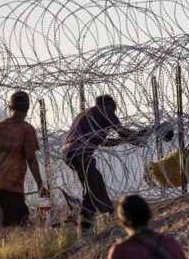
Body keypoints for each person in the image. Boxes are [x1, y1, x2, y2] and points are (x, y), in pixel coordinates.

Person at [61, 95, 146, 232]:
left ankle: (108, 214)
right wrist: (138, 136)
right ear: (111, 107)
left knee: (96, 181)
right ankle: (85, 226)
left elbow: (104, 142)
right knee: (91, 188)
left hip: (69, 152)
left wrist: (130, 139)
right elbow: (121, 131)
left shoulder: (87, 114)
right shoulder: (105, 110)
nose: (113, 115)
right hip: (80, 152)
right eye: (114, 111)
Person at [0, 91, 49, 227]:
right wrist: (40, 185)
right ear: (28, 109)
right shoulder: (27, 130)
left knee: (1, 226)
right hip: (13, 186)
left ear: (9, 107)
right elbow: (31, 159)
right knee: (18, 225)